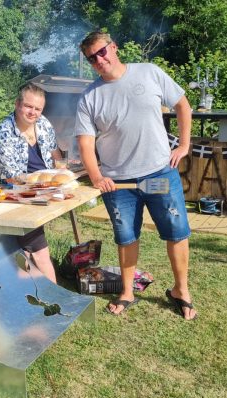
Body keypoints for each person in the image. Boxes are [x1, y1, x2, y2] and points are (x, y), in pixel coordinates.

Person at [74, 32, 197, 320]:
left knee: (176, 232)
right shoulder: (89, 97)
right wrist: (95, 175)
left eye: (102, 52)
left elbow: (183, 105)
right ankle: (127, 292)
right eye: (92, 58)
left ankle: (181, 290)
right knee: (126, 237)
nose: (99, 60)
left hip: (158, 174)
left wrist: (184, 144)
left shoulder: (149, 73)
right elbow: (85, 143)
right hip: (119, 183)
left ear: (113, 47)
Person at [0, 83, 63, 283]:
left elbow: (53, 151)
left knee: (25, 251)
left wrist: (61, 170)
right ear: (17, 104)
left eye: (38, 108)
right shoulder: (4, 133)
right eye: (28, 106)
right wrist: (44, 187)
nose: (33, 112)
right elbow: (12, 178)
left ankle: (27, 291)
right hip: (20, 197)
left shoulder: (44, 124)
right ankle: (55, 303)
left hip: (48, 191)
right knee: (39, 252)